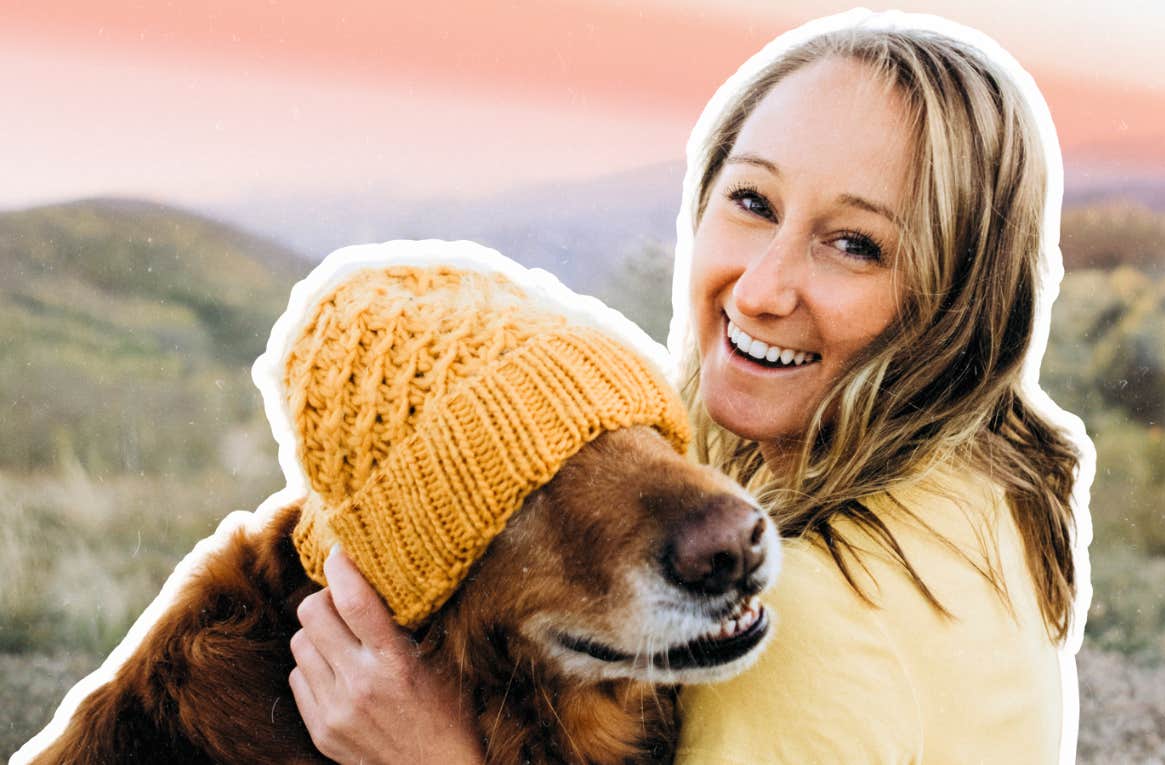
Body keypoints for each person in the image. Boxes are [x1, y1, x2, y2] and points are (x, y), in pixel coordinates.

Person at [288, 10, 1094, 764]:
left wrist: (437, 756)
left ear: (960, 303)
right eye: (752, 200)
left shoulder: (799, 621)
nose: (759, 290)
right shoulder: (989, 497)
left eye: (854, 243)